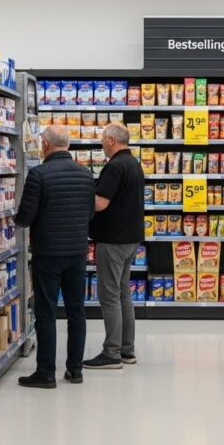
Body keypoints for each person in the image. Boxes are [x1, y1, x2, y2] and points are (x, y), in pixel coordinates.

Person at [14, 125, 96, 388]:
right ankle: (75, 370)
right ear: (68, 146)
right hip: (77, 252)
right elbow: (90, 214)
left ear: (45, 145)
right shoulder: (86, 175)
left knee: (46, 311)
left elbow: (25, 218)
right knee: (76, 311)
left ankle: (46, 372)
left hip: (48, 253)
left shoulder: (38, 175)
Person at [84, 123, 145, 370]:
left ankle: (111, 353)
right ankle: (127, 350)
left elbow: (99, 204)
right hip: (131, 240)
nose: (101, 143)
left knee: (109, 297)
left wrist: (82, 196)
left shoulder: (114, 166)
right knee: (123, 295)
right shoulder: (134, 164)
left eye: (102, 139)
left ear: (111, 140)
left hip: (113, 240)